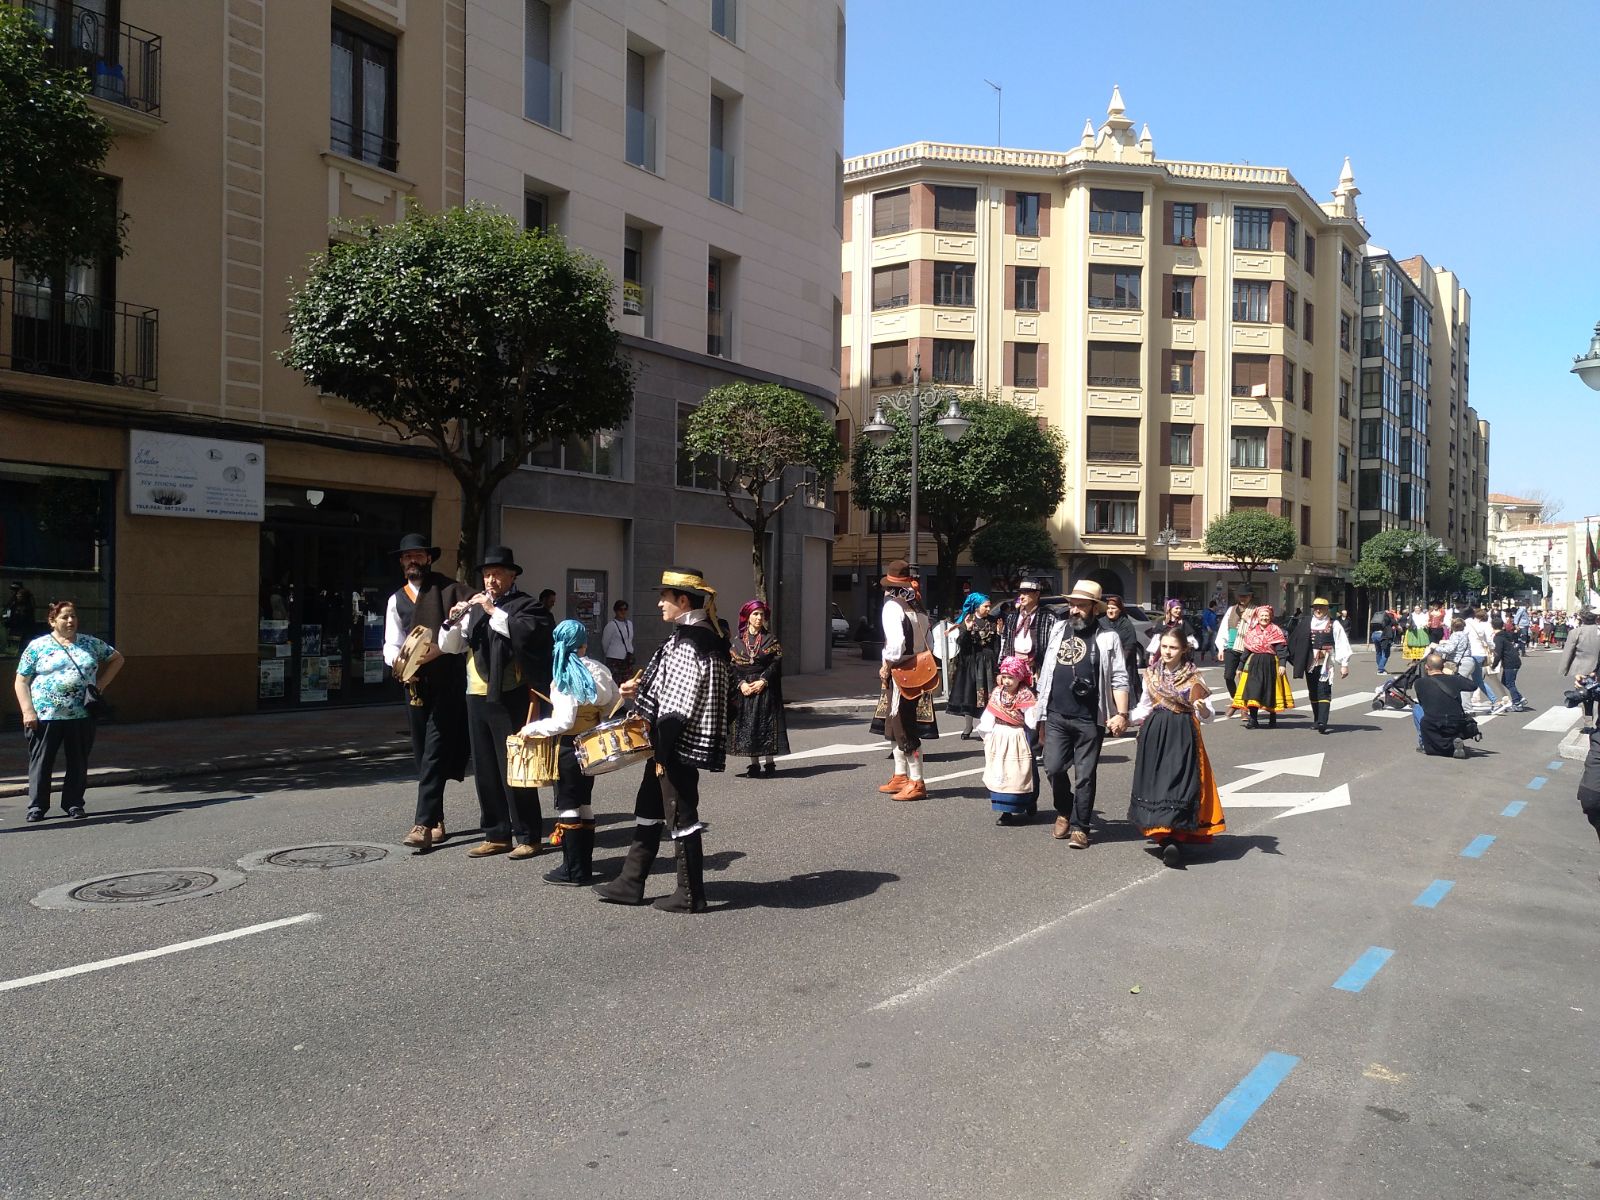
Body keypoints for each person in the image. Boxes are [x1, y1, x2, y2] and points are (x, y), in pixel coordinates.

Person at [594, 566, 730, 913]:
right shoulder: (698, 634)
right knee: (650, 806)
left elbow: (678, 706)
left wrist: (661, 751)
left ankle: (690, 894)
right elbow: (679, 687)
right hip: (674, 741)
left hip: (676, 743)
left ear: (682, 600)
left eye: (664, 597)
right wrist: (642, 689)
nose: (659, 604)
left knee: (681, 813)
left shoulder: (691, 639)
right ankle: (630, 882)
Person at [438, 546, 547, 859]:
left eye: (497, 573)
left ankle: (528, 834)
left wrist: (491, 611)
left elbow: (527, 636)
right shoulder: (475, 609)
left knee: (513, 766)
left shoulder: (525, 605)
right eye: (487, 574)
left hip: (509, 694)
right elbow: (452, 646)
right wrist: (452, 620)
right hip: (476, 693)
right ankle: (497, 833)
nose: (491, 580)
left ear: (511, 575)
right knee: (485, 767)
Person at [382, 533, 472, 852]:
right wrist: (402, 664)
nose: (412, 562)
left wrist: (439, 649)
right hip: (415, 685)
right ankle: (437, 817)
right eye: (407, 558)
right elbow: (391, 643)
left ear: (429, 559)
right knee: (422, 753)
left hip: (447, 681)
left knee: (435, 748)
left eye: (417, 556)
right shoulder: (397, 599)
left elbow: (465, 637)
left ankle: (422, 825)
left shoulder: (450, 590)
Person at [519, 620, 617, 885]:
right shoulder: (599, 669)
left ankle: (573, 870)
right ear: (584, 643)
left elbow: (563, 722)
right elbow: (612, 705)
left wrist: (531, 729)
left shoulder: (564, 676)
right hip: (593, 745)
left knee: (568, 805)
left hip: (569, 747)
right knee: (584, 802)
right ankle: (583, 866)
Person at [1036, 580, 1130, 849]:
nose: (1074, 610)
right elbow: (1047, 670)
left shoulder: (1108, 637)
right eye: (1072, 604)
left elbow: (1120, 677)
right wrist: (1038, 709)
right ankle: (1064, 810)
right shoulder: (1057, 629)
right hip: (1056, 712)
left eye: (1080, 605)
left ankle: (1081, 826)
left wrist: (1121, 713)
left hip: (1090, 717)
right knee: (1052, 767)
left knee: (1085, 774)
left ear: (1094, 608)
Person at [13, 599, 125, 821]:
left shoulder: (90, 643)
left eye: (73, 616)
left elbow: (117, 659)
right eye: (65, 616)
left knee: (78, 761)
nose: (71, 620)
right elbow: (21, 682)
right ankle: (37, 807)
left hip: (82, 714)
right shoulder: (38, 646)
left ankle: (73, 803)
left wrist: (100, 685)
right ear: (52, 620)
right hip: (46, 715)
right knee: (42, 761)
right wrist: (28, 711)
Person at [1129, 630, 1225, 867]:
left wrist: (1201, 708)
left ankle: (1176, 837)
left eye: (1172, 647)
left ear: (1183, 649)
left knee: (1180, 782)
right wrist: (1123, 718)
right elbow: (1144, 707)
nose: (1167, 652)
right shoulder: (1150, 674)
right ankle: (1164, 837)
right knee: (1157, 784)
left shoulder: (1194, 677)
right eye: (1164, 647)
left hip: (1183, 732)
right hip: (1155, 731)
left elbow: (1208, 716)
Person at [871, 560, 938, 801]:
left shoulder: (892, 607)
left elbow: (896, 645)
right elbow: (930, 643)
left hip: (900, 672)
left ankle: (916, 781)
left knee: (902, 725)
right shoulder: (917, 607)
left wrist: (886, 664)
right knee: (894, 722)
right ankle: (900, 775)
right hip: (918, 670)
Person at [729, 599, 789, 777]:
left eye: (761, 614)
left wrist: (764, 680)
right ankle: (753, 764)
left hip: (765, 689)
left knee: (767, 725)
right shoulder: (737, 641)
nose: (759, 617)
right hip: (746, 688)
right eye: (755, 614)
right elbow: (731, 667)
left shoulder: (771, 639)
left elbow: (776, 663)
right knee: (750, 725)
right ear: (747, 617)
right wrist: (741, 684)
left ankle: (770, 763)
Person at [978, 654, 1039, 825]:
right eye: (1004, 677)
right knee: (1000, 771)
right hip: (999, 735)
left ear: (1019, 677)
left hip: (1017, 736)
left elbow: (1031, 719)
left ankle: (1028, 800)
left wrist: (1033, 720)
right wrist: (987, 733)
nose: (1006, 681)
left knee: (1020, 771)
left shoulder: (1025, 695)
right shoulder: (998, 693)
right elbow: (990, 713)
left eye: (1010, 677)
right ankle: (1005, 810)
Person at [1287, 597, 1351, 734]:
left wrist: (1344, 664)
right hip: (1310, 662)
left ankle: (1322, 721)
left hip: (1325, 663)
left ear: (1327, 609)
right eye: (1316, 607)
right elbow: (1294, 639)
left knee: (1324, 690)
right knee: (1313, 691)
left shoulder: (1334, 624)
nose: (1318, 610)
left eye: (1321, 608)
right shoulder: (1306, 623)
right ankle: (1316, 719)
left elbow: (1341, 643)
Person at [945, 592, 998, 739]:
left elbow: (996, 644)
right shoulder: (967, 620)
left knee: (988, 695)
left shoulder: (994, 621)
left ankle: (986, 725)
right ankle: (968, 726)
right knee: (970, 694)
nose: (988, 608)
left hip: (988, 661)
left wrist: (997, 661)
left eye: (989, 606)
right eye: (985, 606)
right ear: (976, 606)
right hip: (970, 662)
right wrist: (967, 630)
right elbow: (961, 643)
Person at [1232, 605, 1293, 728]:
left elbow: (1281, 650)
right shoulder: (1252, 632)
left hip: (1271, 663)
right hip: (1255, 664)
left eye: (1266, 616)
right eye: (1262, 616)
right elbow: (1246, 652)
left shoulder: (1276, 631)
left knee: (1271, 690)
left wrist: (1282, 665)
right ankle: (1253, 720)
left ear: (1270, 617)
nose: (1264, 618)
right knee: (1253, 690)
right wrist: (1240, 667)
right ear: (1257, 617)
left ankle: (1273, 718)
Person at [1414, 652, 1480, 757]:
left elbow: (1423, 702)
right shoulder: (1454, 679)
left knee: (1417, 707)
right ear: (1443, 666)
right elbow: (1473, 686)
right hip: (1456, 721)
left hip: (1432, 722)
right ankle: (1453, 743)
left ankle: (1426, 744)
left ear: (1427, 667)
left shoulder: (1419, 683)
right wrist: (1455, 674)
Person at [999, 579, 1056, 677]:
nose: (1021, 597)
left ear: (1037, 594)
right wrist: (1003, 667)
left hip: (1037, 668)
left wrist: (1039, 662)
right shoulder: (1012, 617)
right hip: (1013, 665)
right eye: (1020, 593)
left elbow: (1053, 646)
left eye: (1026, 593)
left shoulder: (1048, 617)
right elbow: (1004, 642)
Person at [1215, 588, 1255, 719]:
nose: (1243, 598)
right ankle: (1236, 700)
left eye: (1246, 596)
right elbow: (1224, 629)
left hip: (1248, 648)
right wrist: (1221, 648)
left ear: (1250, 597)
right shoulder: (1231, 609)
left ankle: (1244, 709)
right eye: (1241, 596)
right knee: (1228, 676)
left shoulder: (1255, 610)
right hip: (1231, 647)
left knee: (1244, 678)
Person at [1104, 592, 1145, 711]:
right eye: (1108, 608)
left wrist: (1117, 663)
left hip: (1123, 667)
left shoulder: (1126, 625)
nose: (1110, 611)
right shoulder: (1101, 623)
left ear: (1120, 610)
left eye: (1113, 608)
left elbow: (1130, 647)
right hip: (1104, 666)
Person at [1562, 611, 1600, 731]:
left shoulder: (1576, 632)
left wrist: (1565, 669)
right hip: (1596, 668)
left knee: (1585, 696)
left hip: (1583, 668)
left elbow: (1568, 652)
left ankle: (1588, 724)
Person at [1463, 607, 1506, 711]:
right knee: (1478, 680)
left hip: (1471, 653)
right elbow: (1489, 640)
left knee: (1463, 679)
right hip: (1481, 654)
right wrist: (1492, 649)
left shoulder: (1467, 624)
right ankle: (1494, 701)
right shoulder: (1483, 626)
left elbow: (1463, 637)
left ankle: (1465, 704)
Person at [1490, 616, 1530, 712]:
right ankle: (1519, 698)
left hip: (1510, 662)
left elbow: (1498, 653)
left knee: (1510, 683)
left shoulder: (1498, 638)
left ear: (1492, 626)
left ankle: (1517, 703)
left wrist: (1494, 665)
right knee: (1505, 681)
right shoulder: (1505, 635)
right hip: (1514, 660)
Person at [601, 599, 635, 679]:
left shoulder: (629, 624)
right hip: (614, 658)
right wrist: (609, 653)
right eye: (620, 609)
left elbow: (629, 640)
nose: (623, 612)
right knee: (615, 681)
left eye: (625, 609)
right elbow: (605, 643)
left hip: (627, 657)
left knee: (627, 680)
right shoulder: (611, 625)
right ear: (616, 611)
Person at [4, 581, 36, 650]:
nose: (15, 593)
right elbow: (9, 610)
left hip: (22, 625)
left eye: (15, 590)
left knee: (22, 640)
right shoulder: (13, 600)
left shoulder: (26, 603)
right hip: (15, 624)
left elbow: (24, 615)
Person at [1369, 606, 1397, 675]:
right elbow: (1395, 623)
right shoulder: (1389, 616)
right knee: (1386, 653)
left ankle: (1381, 668)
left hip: (1374, 634)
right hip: (1383, 635)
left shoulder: (1377, 616)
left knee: (1379, 652)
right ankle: (1380, 670)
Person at [1200, 600, 1221, 665]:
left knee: (1213, 644)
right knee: (1205, 643)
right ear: (1214, 606)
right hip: (1206, 630)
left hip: (1214, 629)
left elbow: (1215, 621)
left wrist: (1218, 622)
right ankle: (1202, 653)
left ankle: (1214, 657)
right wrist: (1208, 627)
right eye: (1216, 606)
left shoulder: (1214, 613)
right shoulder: (1207, 612)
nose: (1216, 607)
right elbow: (1205, 620)